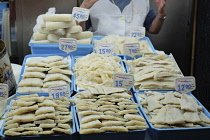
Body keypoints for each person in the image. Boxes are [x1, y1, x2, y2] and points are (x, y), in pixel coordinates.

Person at [79, 0, 167, 36]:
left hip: (135, 54)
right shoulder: (93, 2)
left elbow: (153, 29)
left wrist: (161, 13)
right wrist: (83, 8)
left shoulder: (142, 1)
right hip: (101, 54)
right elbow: (80, 30)